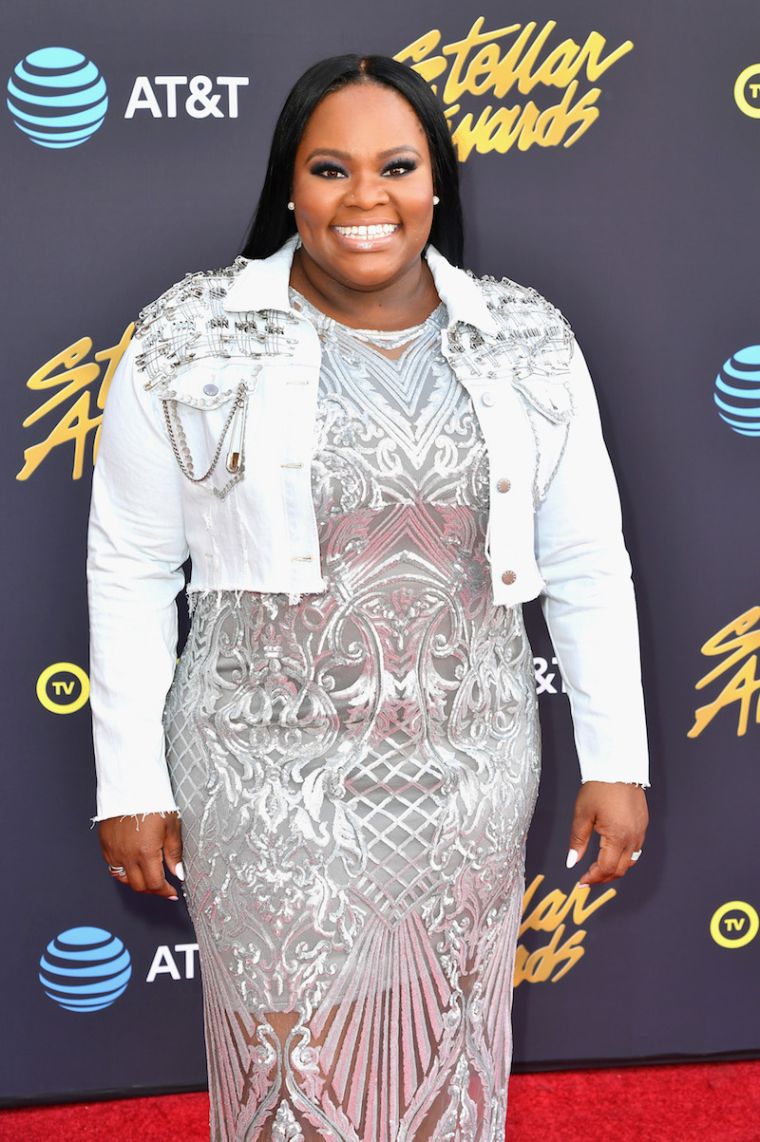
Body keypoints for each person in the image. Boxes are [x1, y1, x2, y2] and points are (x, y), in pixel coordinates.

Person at [87, 53, 649, 1142]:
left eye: (396, 166)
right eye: (330, 167)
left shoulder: (526, 338)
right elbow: (131, 565)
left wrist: (616, 758)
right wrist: (131, 782)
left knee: (450, 1061)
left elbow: (587, 558)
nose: (365, 197)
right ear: (289, 186)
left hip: (468, 771)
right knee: (285, 1086)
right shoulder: (192, 334)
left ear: (436, 182)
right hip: (262, 777)